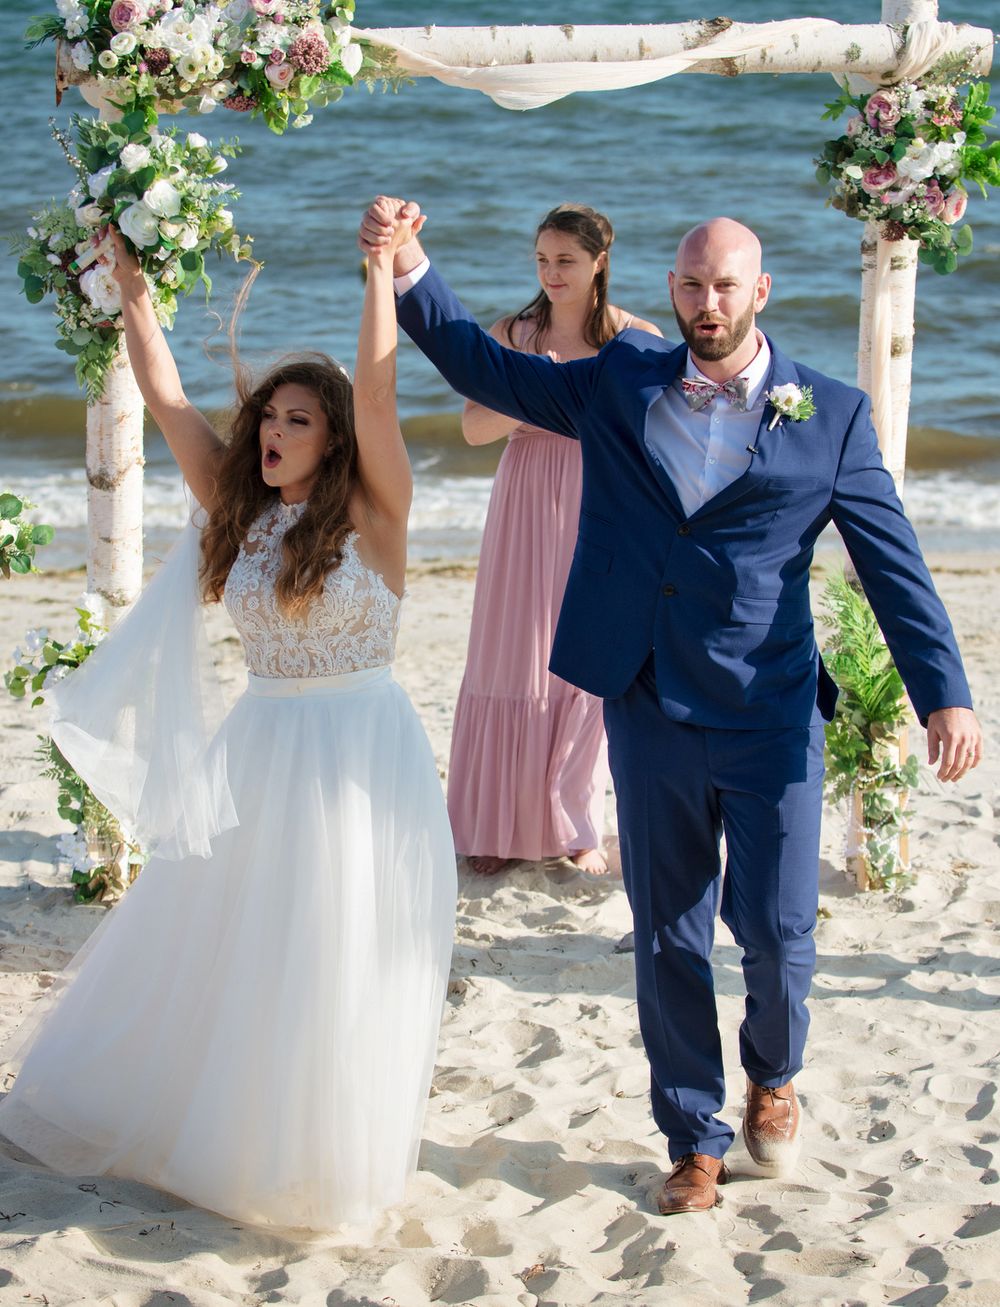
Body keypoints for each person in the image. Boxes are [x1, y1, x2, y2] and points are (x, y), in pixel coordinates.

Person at [358, 199, 983, 1215]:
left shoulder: (829, 415)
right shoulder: (621, 378)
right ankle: (692, 1136)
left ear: (760, 290)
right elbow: (487, 369)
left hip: (771, 707)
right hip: (648, 699)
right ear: (671, 291)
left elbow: (893, 562)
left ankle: (773, 1074)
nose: (707, 302)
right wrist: (409, 264)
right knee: (667, 933)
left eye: (725, 284)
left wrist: (942, 693)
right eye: (691, 284)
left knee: (776, 929)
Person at [0, 212, 457, 1231]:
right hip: (259, 750)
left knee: (339, 953)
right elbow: (166, 398)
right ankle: (236, 1135)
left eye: (298, 420)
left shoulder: (377, 514)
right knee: (245, 949)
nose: (272, 433)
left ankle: (320, 1160)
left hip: (361, 754)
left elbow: (378, 391)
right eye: (268, 418)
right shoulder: (240, 508)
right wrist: (130, 287)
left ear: (333, 438)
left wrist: (378, 270)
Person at [451, 204, 660, 876]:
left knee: (589, 656)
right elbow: (472, 430)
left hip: (602, 498)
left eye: (566, 260)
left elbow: (656, 440)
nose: (551, 273)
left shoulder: (638, 339)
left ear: (600, 261)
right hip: (526, 499)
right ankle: (495, 825)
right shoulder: (512, 334)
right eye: (542, 260)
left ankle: (576, 825)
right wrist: (531, 386)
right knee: (514, 651)